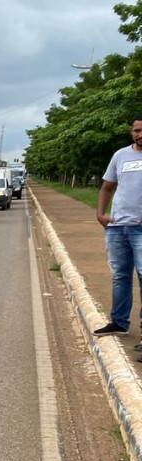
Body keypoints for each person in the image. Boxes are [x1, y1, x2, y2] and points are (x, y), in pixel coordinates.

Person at [93, 114, 142, 342]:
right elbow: (107, 187)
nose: (140, 135)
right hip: (117, 227)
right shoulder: (120, 155)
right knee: (120, 276)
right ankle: (119, 322)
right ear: (131, 132)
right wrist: (101, 213)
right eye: (137, 130)